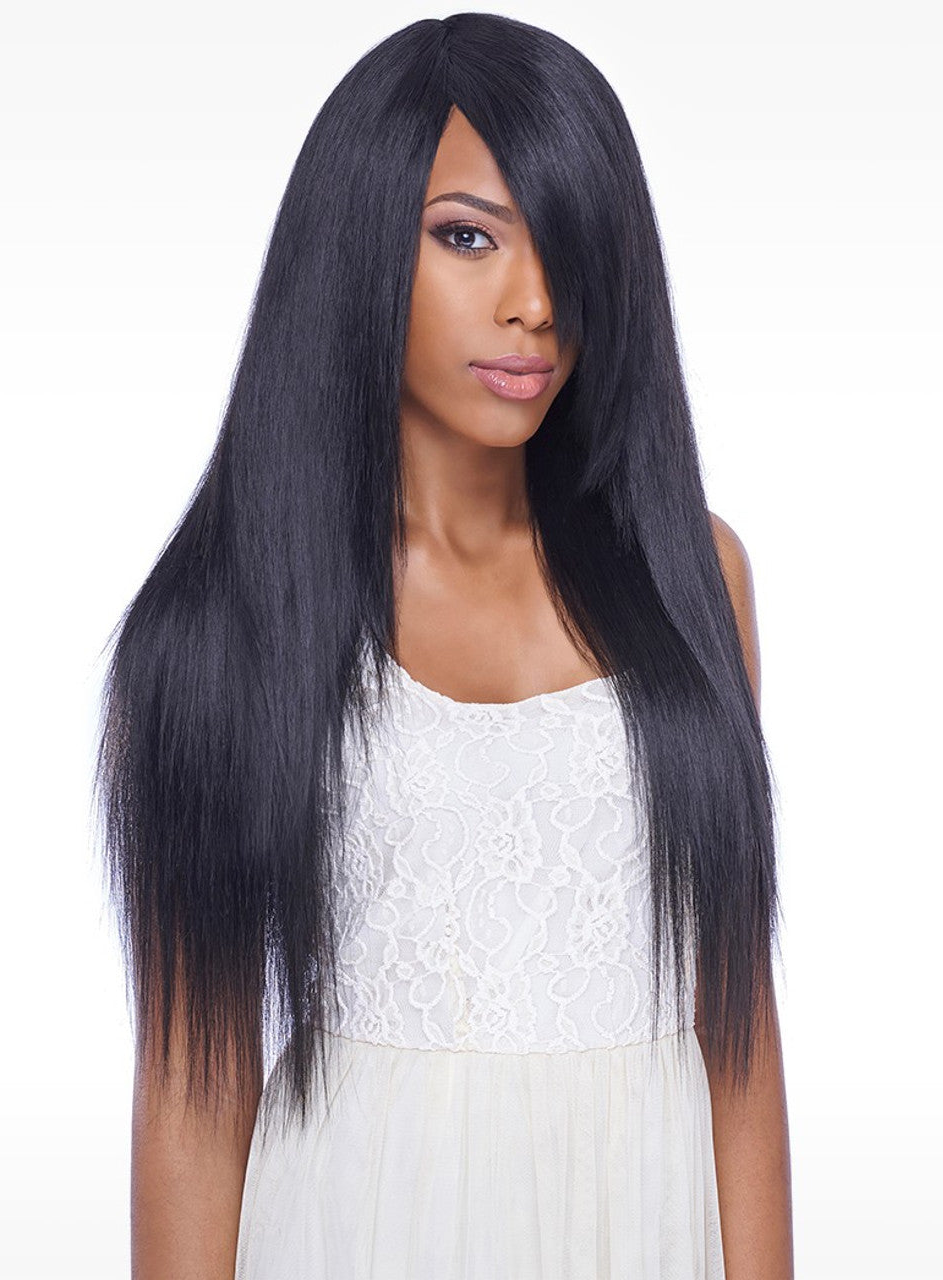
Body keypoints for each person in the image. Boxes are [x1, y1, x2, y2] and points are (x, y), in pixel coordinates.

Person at [94, 13, 793, 1279]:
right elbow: (194, 1085)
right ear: (360, 239)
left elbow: (735, 1030)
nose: (535, 302)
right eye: (467, 235)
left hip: (640, 1230)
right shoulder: (220, 622)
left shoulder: (695, 577)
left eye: (568, 244)